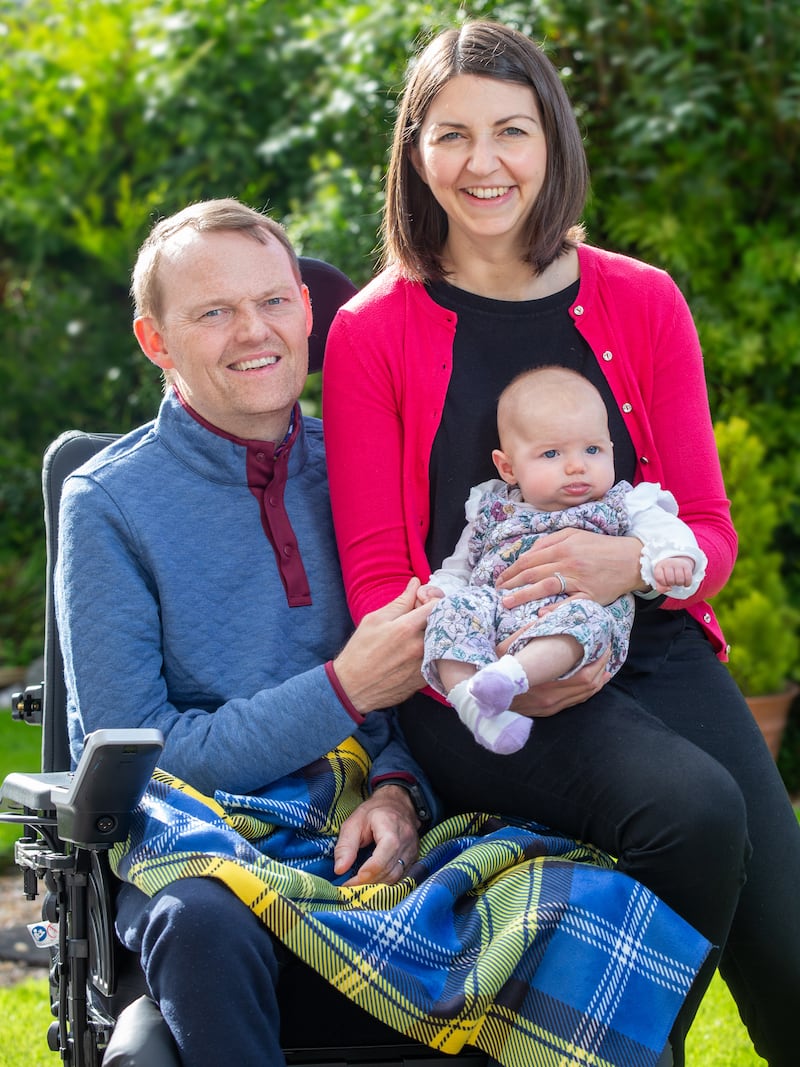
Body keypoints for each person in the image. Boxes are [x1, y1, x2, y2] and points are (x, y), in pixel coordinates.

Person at [322, 20, 800, 1067]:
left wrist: (624, 564)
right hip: (475, 676)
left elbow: (708, 536)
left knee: (792, 947)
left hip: (650, 641)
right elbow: (374, 576)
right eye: (450, 136)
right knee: (690, 808)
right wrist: (479, 673)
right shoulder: (368, 329)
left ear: (552, 143)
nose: (482, 164)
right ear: (413, 151)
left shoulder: (640, 298)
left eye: (510, 131)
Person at [54, 198, 439, 1066]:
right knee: (203, 919)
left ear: (307, 312)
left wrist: (399, 794)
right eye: (213, 311)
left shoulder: (366, 464)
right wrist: (342, 690)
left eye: (273, 300)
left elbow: (429, 686)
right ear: (156, 341)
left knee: (577, 900)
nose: (253, 331)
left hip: (358, 824)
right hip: (201, 841)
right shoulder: (109, 504)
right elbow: (136, 752)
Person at [420, 365, 706, 755]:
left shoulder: (625, 502)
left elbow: (671, 536)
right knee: (450, 611)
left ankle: (511, 676)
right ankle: (472, 704)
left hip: (572, 615)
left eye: (592, 450)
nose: (576, 466)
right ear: (508, 467)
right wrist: (440, 591)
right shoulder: (491, 507)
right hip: (496, 613)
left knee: (587, 618)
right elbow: (460, 568)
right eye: (551, 453)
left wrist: (671, 558)